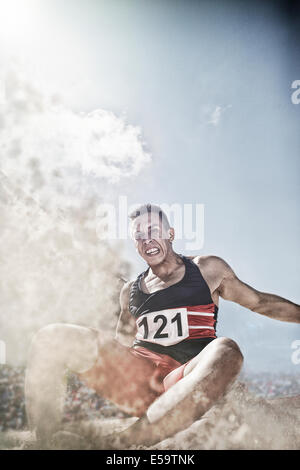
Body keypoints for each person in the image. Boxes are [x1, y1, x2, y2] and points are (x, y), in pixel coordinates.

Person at [25, 204, 300, 449]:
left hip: (189, 381)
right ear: (135, 245)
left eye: (153, 230)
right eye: (139, 236)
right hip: (142, 381)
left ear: (170, 233)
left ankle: (121, 442)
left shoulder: (207, 268)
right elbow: (120, 345)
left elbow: (260, 302)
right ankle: (45, 443)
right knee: (50, 337)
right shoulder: (130, 291)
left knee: (226, 348)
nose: (147, 239)